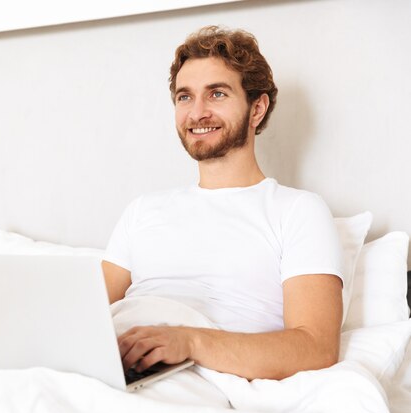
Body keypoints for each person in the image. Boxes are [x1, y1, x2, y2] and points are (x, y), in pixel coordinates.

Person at [102, 26, 344, 381]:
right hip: (114, 368)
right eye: (184, 97)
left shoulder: (297, 211)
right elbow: (81, 314)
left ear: (257, 107)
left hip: (193, 378)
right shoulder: (142, 210)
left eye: (216, 94)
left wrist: (190, 342)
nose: (197, 112)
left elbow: (316, 348)